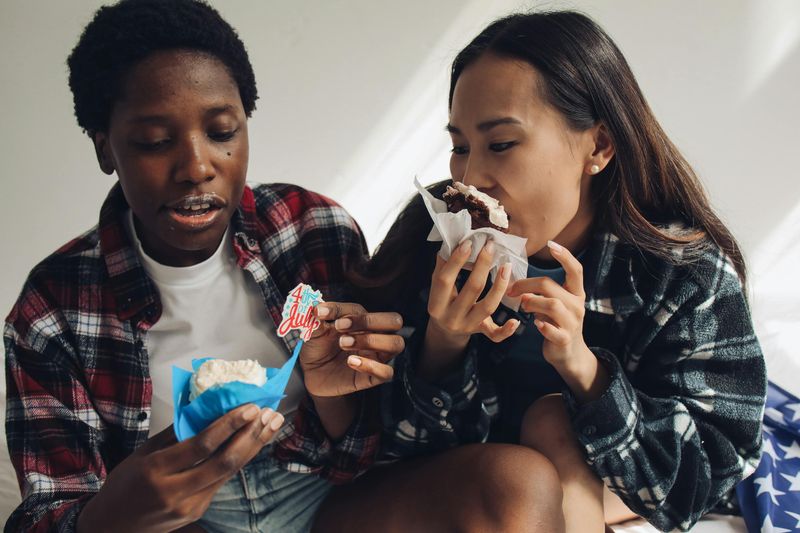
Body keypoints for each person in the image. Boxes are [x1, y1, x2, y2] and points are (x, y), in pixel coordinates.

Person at [317, 11, 767, 533]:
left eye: (502, 144)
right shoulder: (433, 235)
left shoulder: (680, 272)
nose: (470, 178)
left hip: (594, 481)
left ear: (597, 147)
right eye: (460, 147)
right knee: (526, 468)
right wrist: (443, 346)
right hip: (459, 490)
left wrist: (585, 372)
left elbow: (702, 480)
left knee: (553, 422)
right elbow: (388, 450)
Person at [3, 1, 404, 532]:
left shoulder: (312, 229)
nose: (196, 167)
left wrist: (332, 401)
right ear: (106, 149)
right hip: (186, 522)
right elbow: (48, 514)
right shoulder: (53, 307)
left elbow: (373, 452)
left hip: (327, 494)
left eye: (221, 132)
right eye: (154, 142)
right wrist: (108, 515)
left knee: (509, 481)